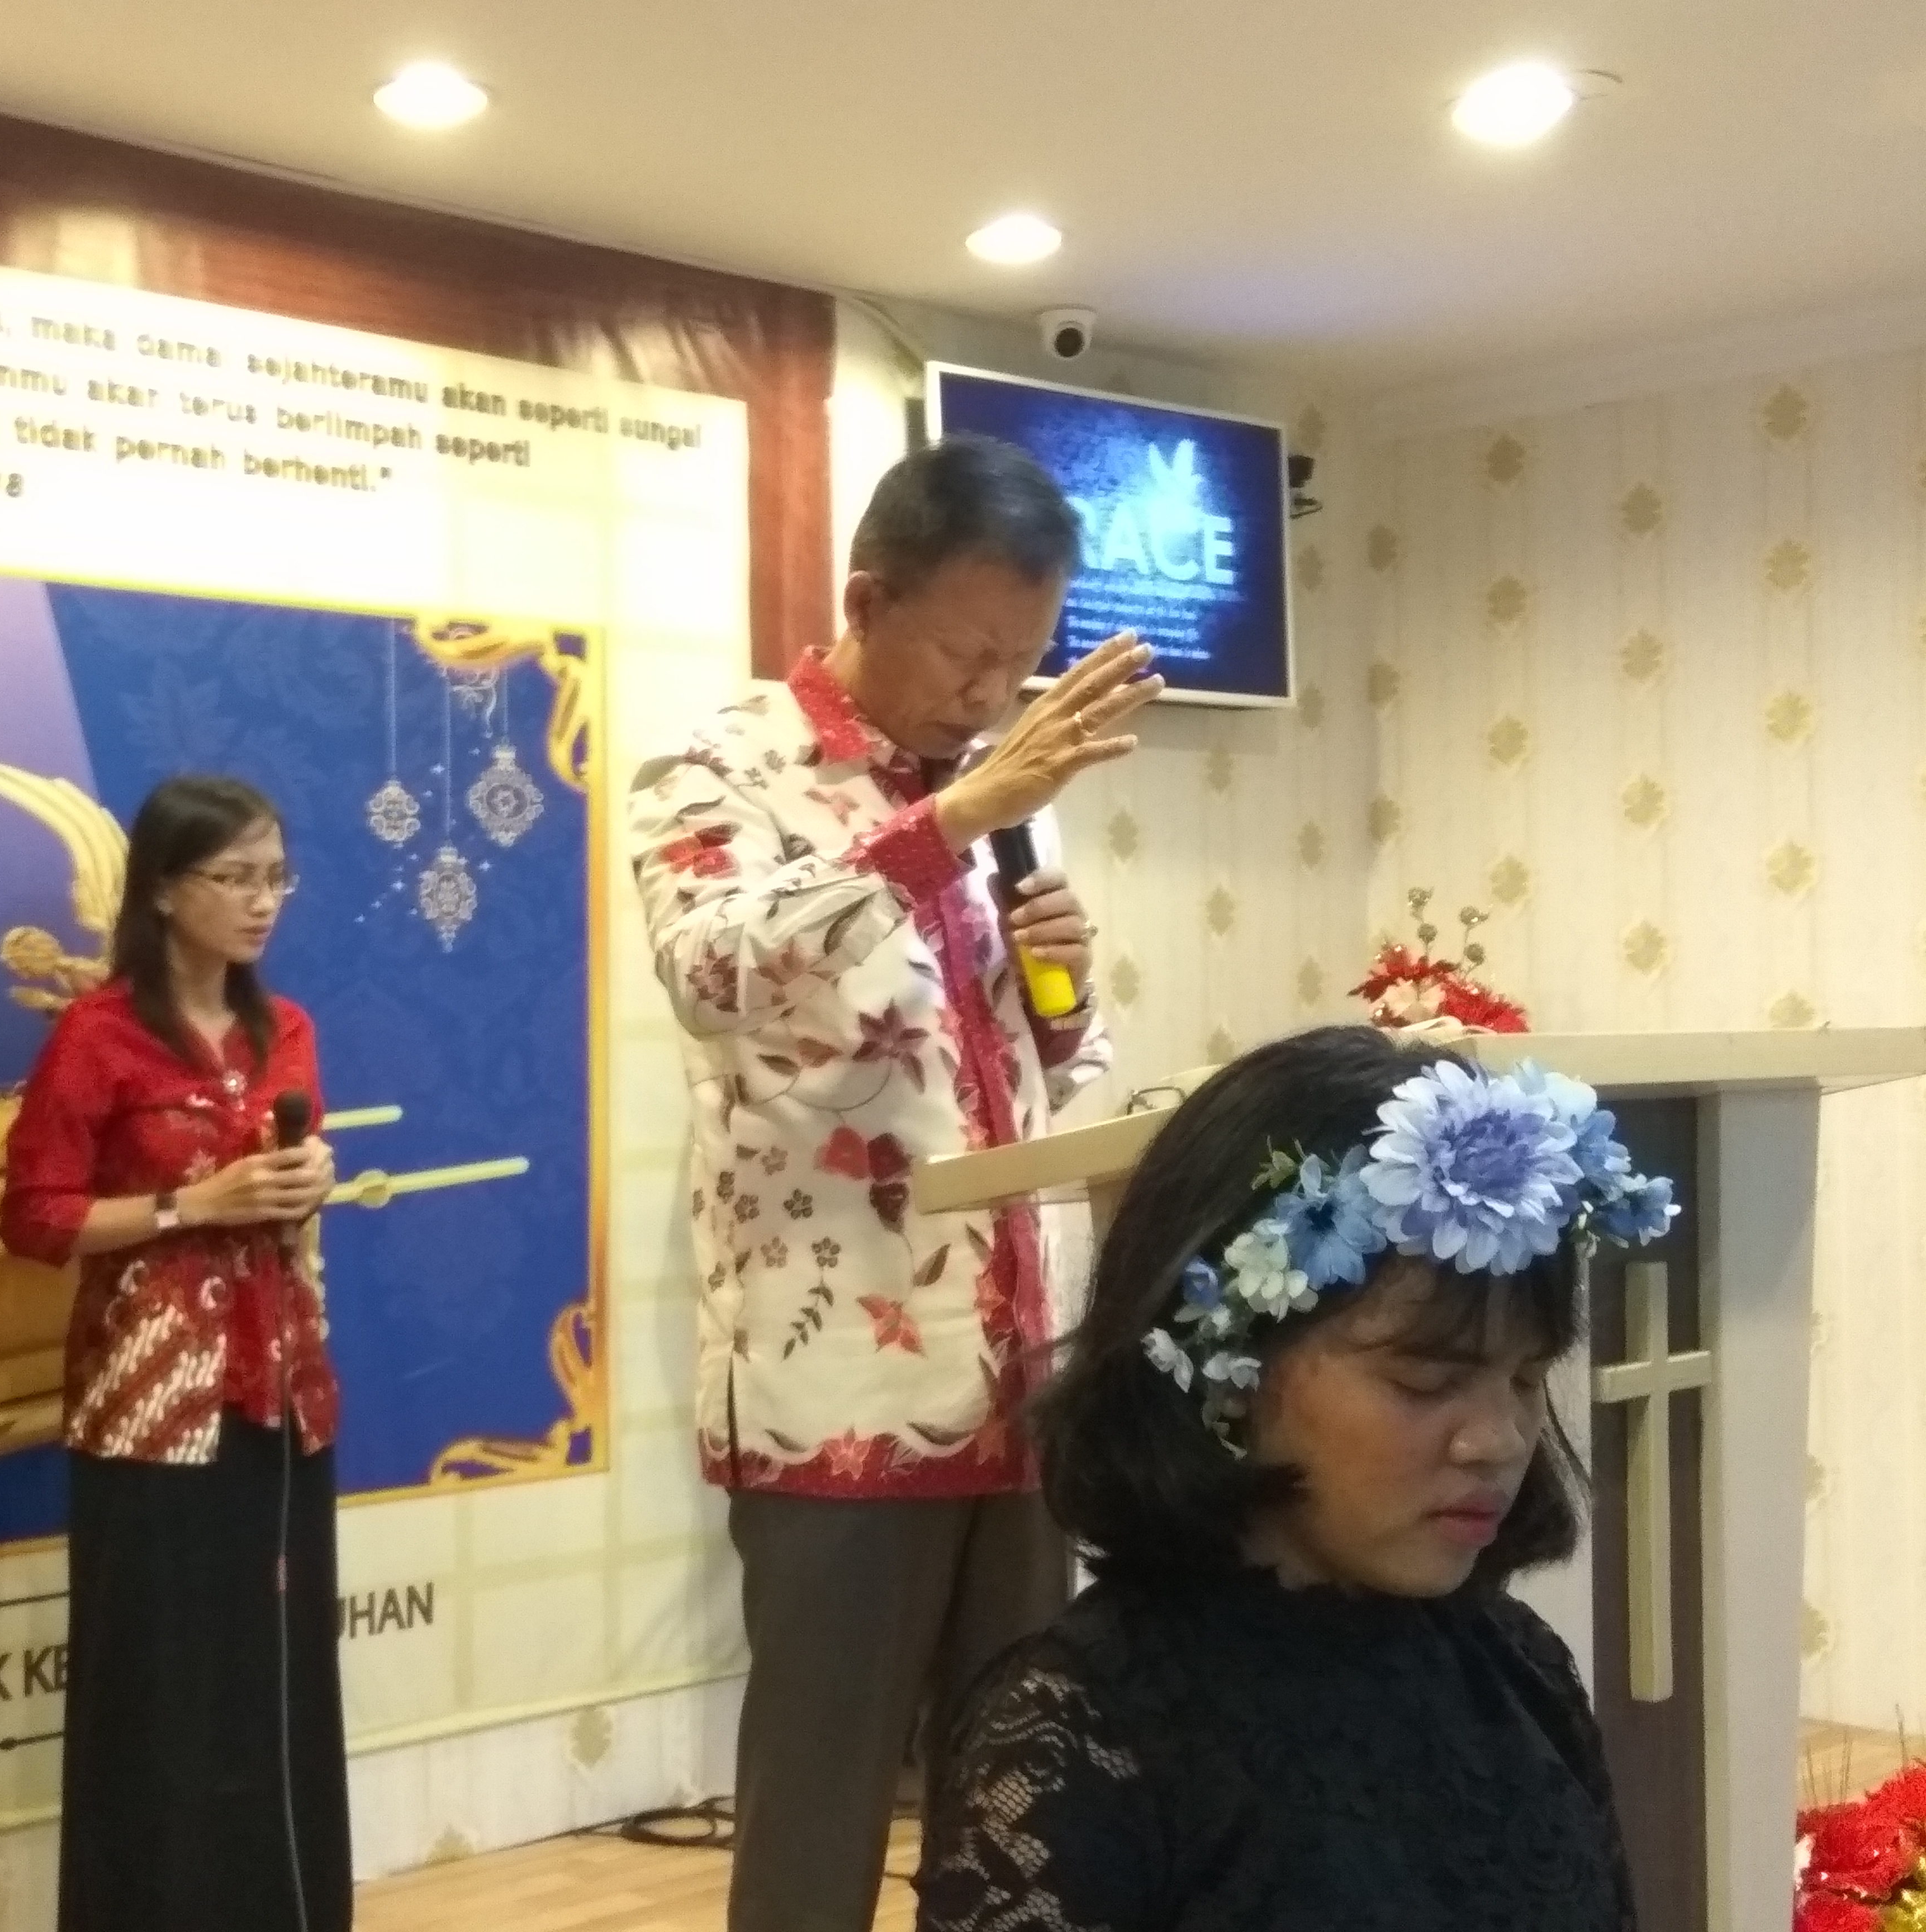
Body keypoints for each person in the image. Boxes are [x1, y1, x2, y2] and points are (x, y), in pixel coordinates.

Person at [626, 432, 1165, 1932]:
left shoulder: (986, 791)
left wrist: (1063, 987)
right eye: (969, 653)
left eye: (1021, 664)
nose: (993, 694)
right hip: (840, 1384)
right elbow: (712, 973)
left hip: (1017, 1371)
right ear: (868, 599)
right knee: (826, 1792)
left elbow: (1041, 1072)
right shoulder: (721, 766)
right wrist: (948, 828)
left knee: (1020, 1788)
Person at [918, 1026, 1672, 1932]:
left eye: (1526, 1378)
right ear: (1228, 1367)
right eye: (1425, 1382)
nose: (1501, 1440)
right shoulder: (1081, 1736)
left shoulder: (1515, 1668)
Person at [0, 774, 348, 1932]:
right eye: (234, 877)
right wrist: (189, 1206)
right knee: (161, 1684)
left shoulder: (286, 1028)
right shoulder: (97, 1036)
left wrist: (310, 1178)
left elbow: (292, 1181)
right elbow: (35, 1219)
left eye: (277, 877)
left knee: (276, 1673)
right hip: (152, 1404)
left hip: (282, 1391)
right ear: (161, 889)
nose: (262, 901)